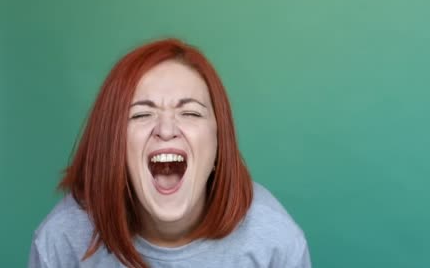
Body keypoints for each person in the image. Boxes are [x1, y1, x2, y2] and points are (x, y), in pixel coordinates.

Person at [28, 39, 311, 268]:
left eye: (189, 112)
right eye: (141, 114)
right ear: (113, 144)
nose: (166, 129)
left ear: (218, 141)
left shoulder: (274, 240)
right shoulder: (61, 240)